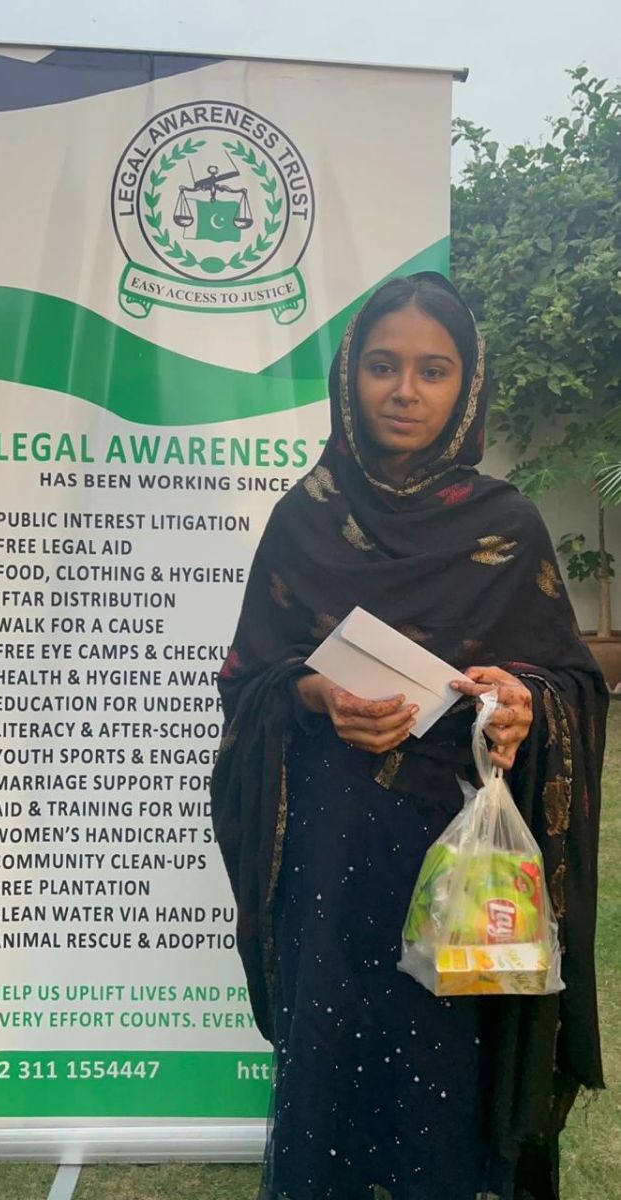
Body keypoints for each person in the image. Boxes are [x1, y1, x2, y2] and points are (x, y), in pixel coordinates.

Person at [210, 273, 607, 1200]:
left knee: (451, 1064)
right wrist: (314, 692)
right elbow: (249, 680)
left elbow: (569, 680)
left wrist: (524, 702)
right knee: (333, 1062)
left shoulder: (507, 525)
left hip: (465, 854)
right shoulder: (303, 518)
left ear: (466, 386)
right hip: (331, 853)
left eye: (433, 370)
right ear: (349, 376)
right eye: (382, 366)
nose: (404, 390)